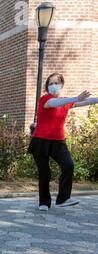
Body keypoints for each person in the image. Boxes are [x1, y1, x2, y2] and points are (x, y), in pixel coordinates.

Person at [28, 73, 98, 212]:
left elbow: (85, 102)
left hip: (58, 142)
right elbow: (55, 103)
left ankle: (63, 199)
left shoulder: (66, 102)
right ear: (47, 86)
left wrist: (92, 99)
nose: (53, 86)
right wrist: (75, 98)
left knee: (68, 165)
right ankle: (44, 202)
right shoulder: (45, 99)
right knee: (45, 173)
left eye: (56, 83)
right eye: (50, 83)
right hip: (40, 141)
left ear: (61, 85)